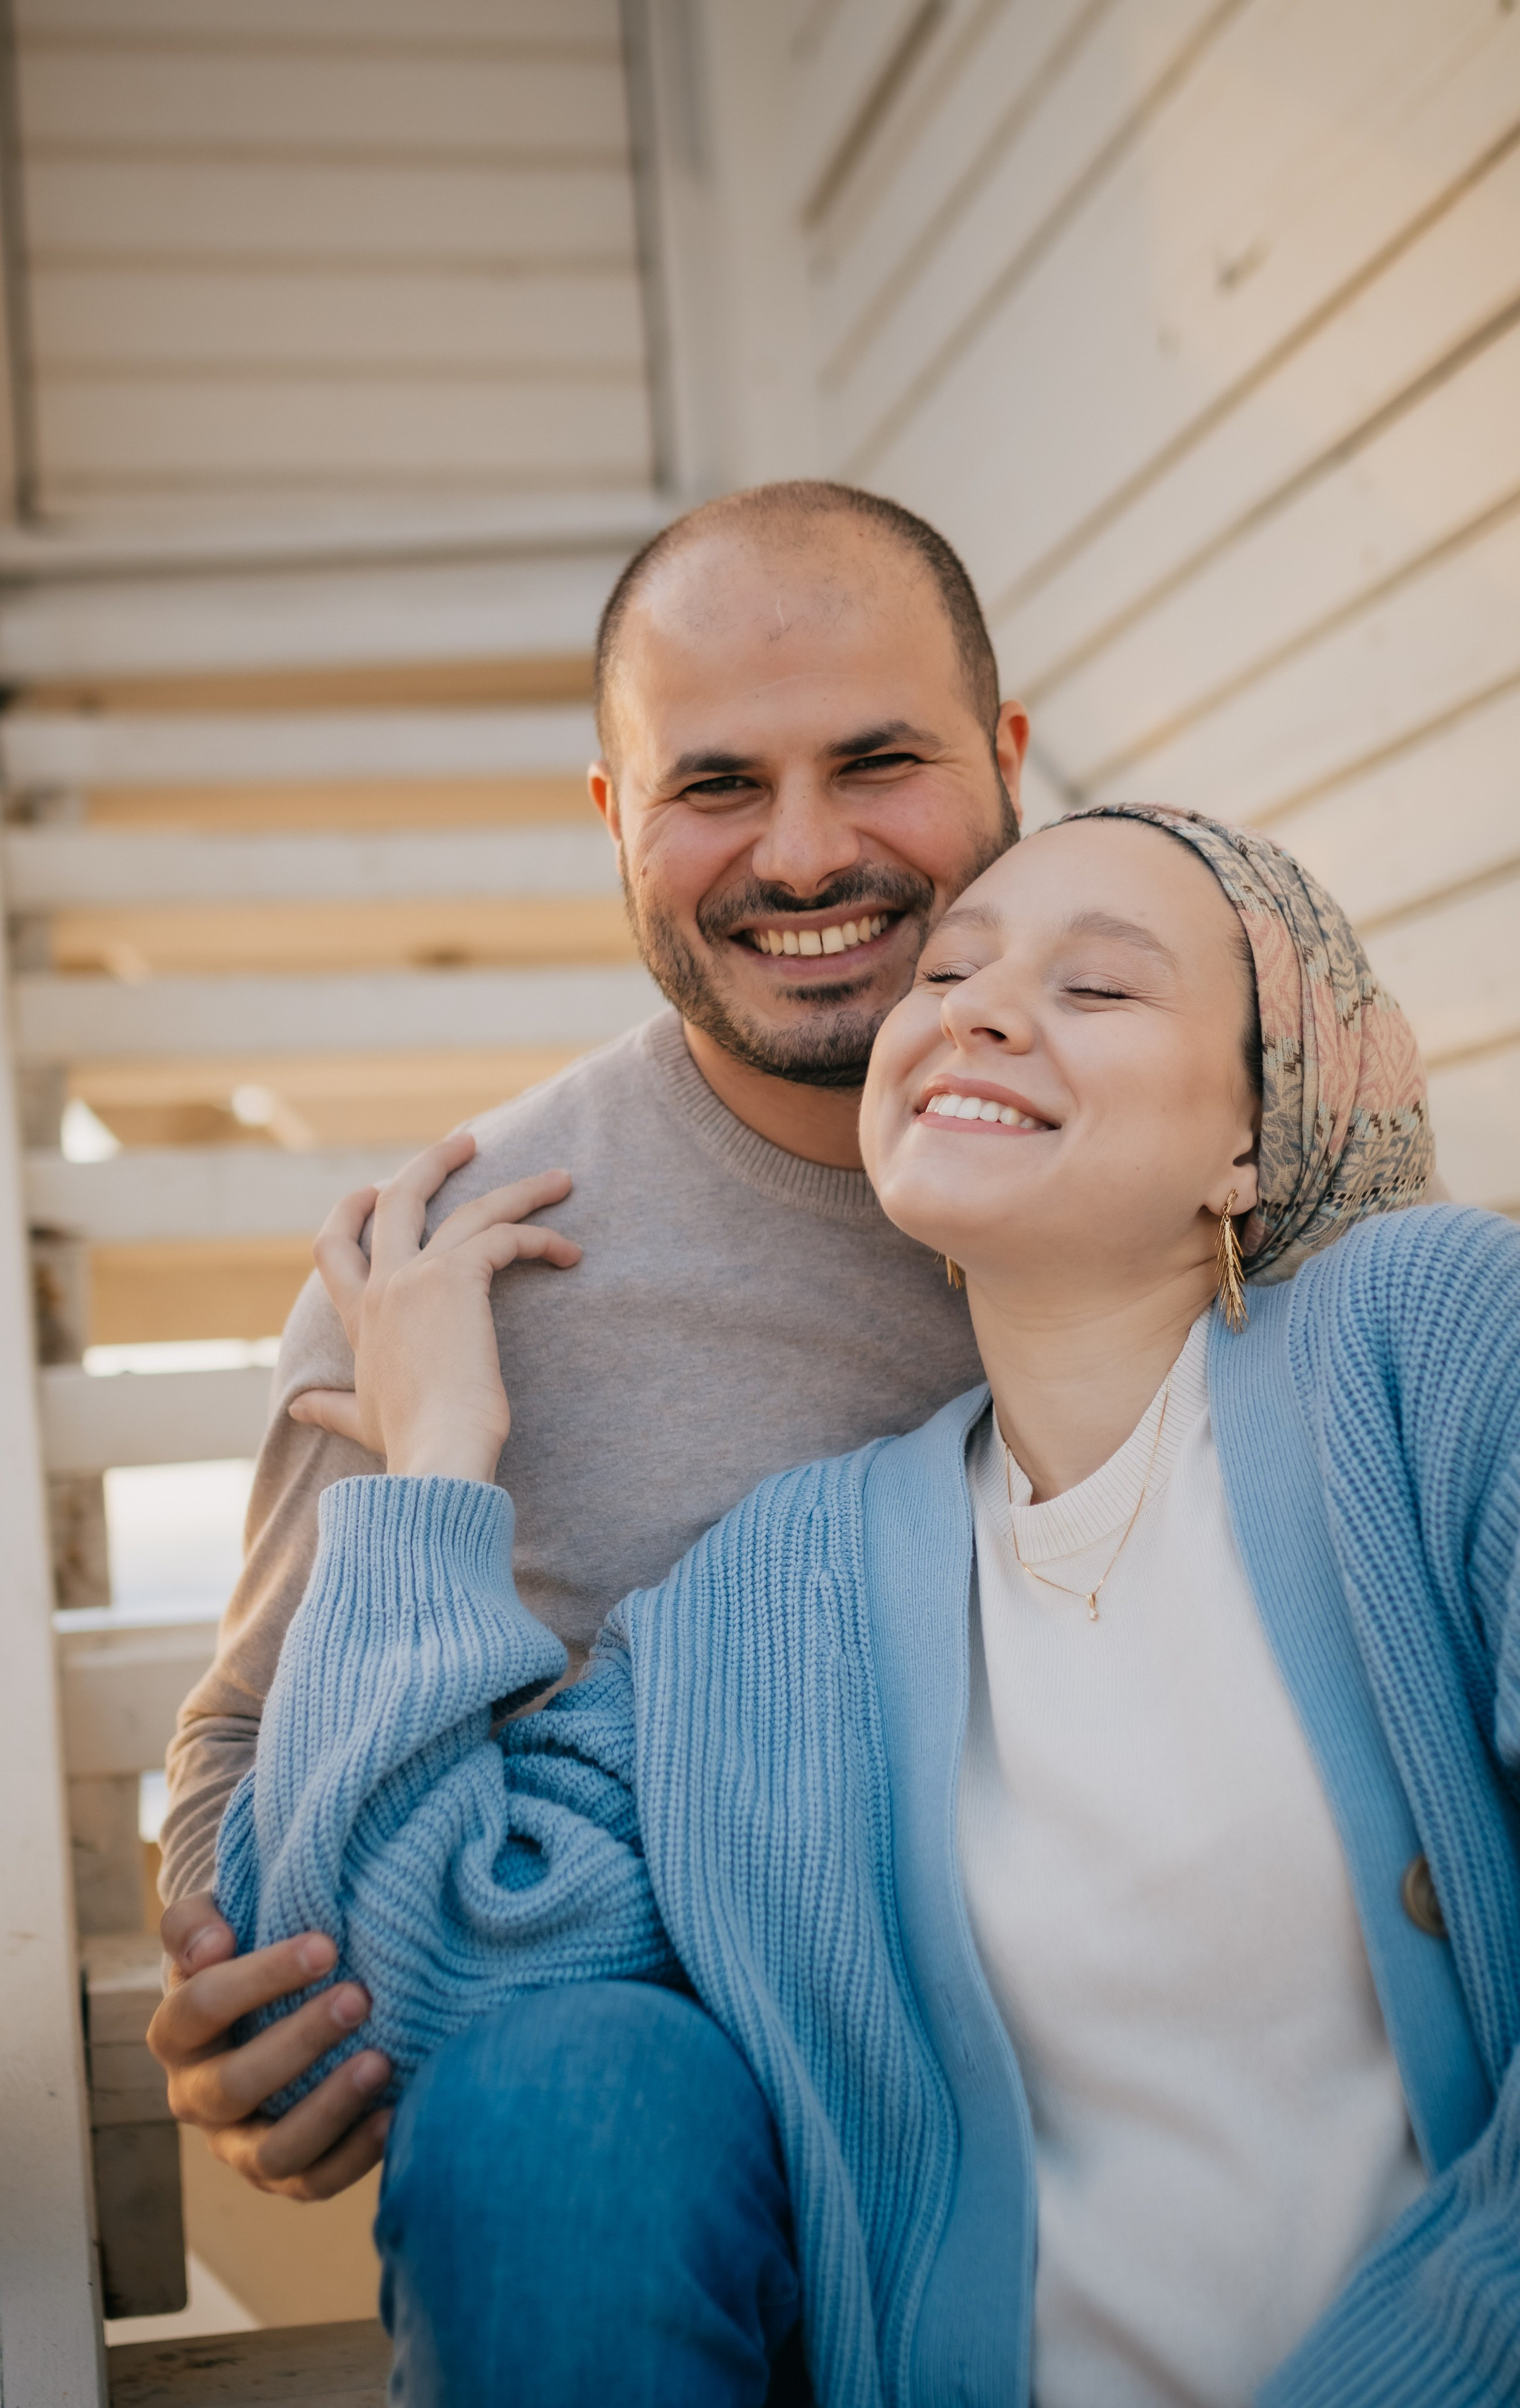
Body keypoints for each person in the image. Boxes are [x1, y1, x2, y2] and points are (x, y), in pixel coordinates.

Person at [220, 803, 1520, 2408]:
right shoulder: (777, 1590)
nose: (975, 1006)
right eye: (952, 970)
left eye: (1097, 990)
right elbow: (407, 1989)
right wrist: (430, 1470)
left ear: (1259, 1133)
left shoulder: (1441, 1347)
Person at [149, 480, 1031, 2199]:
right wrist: (235, 2004)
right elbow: (238, 1764)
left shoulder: (1196, 1144)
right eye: (714, 785)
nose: (802, 855)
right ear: (614, 813)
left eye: (877, 762)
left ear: (1004, 751)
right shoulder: (448, 1277)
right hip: (651, 2134)